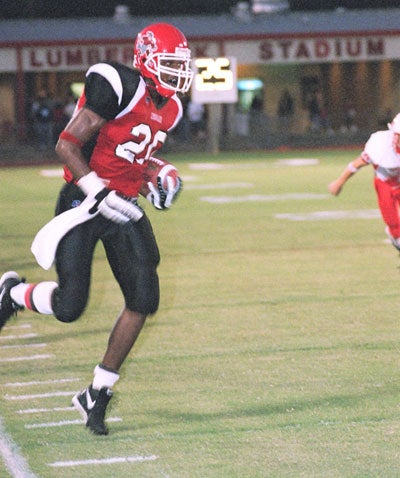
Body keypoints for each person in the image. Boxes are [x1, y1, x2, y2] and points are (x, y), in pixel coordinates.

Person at [0, 22, 193, 435]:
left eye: (181, 65)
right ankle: (13, 292)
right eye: (170, 64)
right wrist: (97, 192)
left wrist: (155, 177)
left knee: (143, 298)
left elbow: (133, 160)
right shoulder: (118, 85)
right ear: (145, 59)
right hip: (83, 200)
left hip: (122, 205)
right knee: (71, 306)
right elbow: (66, 145)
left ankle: (97, 391)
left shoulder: (171, 109)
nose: (178, 73)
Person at [328, 113, 400, 251]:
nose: (396, 139)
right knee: (396, 230)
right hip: (385, 184)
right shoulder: (381, 146)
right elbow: (356, 164)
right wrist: (339, 182)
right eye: (396, 134)